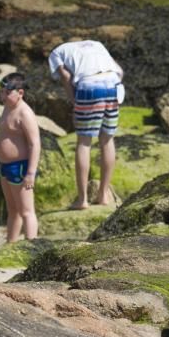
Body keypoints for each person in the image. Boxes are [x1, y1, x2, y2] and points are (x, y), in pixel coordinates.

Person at [47, 40, 124, 210]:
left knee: (84, 142)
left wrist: (74, 101)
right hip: (112, 84)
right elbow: (119, 71)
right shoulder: (97, 44)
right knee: (107, 139)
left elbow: (66, 77)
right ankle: (103, 194)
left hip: (89, 86)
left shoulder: (57, 52)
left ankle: (82, 200)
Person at [0, 73, 40, 243]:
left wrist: (31, 173)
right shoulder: (7, 107)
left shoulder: (25, 113)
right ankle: (10, 244)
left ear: (20, 93)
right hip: (5, 166)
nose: (3, 97)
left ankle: (32, 247)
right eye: (1, 93)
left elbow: (35, 144)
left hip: (20, 167)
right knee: (12, 210)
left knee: (26, 211)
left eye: (7, 93)